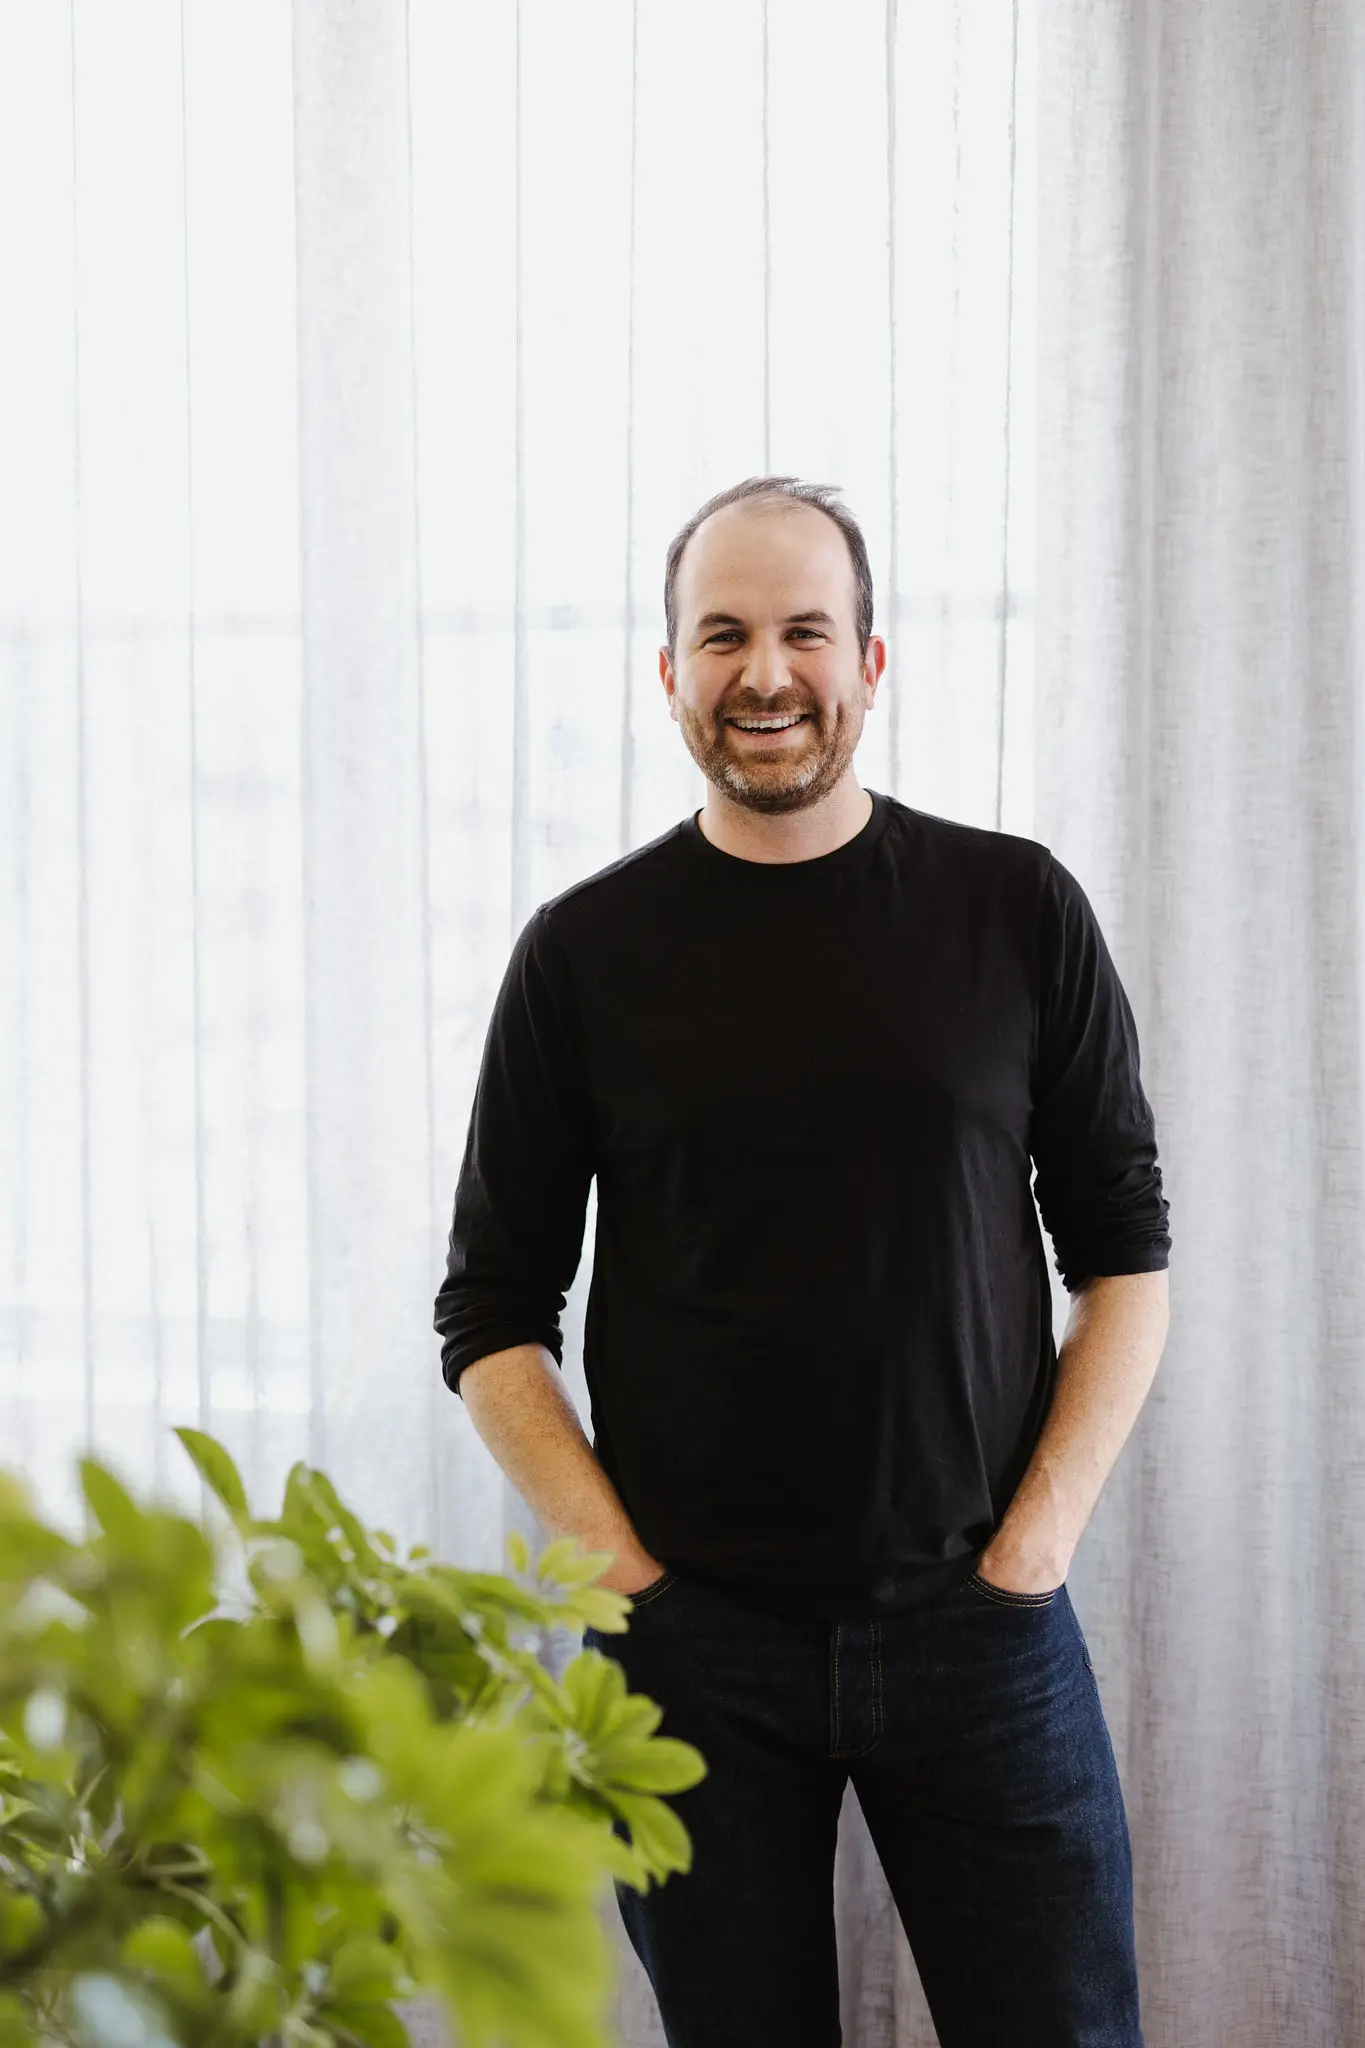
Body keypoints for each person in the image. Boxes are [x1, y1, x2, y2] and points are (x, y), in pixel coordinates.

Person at [433, 475, 1172, 2048]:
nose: (764, 673)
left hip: (984, 1628)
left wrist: (1037, 1545)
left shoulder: (1016, 908)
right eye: (723, 636)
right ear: (670, 674)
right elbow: (490, 1315)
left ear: (871, 662)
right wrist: (623, 1577)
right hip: (693, 1651)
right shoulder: (583, 953)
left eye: (804, 632)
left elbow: (1127, 1256)